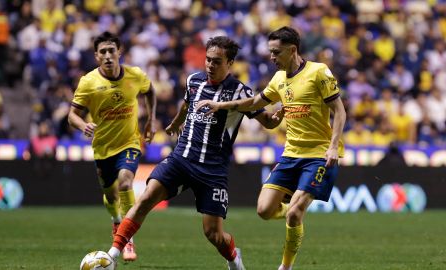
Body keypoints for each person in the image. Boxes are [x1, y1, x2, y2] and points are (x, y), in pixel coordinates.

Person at [107, 36, 284, 269]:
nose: (210, 65)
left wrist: (280, 114)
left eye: (217, 61)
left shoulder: (241, 92)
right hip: (181, 158)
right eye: (208, 60)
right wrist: (175, 123)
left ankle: (233, 257)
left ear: (229, 63)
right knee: (146, 198)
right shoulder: (194, 80)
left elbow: (268, 122)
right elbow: (187, 104)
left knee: (213, 235)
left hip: (212, 170)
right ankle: (112, 255)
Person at [196, 26, 347, 270]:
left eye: (276, 53)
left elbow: (339, 112)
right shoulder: (278, 80)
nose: (271, 57)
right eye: (270, 52)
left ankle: (285, 266)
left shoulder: (318, 72)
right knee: (264, 210)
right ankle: (292, 209)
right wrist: (222, 105)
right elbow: (255, 102)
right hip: (290, 155)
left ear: (293, 50)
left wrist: (332, 147)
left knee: (294, 214)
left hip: (319, 155)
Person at [68, 31, 156, 261]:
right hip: (103, 148)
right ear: (96, 56)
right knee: (110, 194)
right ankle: (116, 222)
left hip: (130, 142)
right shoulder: (88, 82)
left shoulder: (135, 75)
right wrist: (82, 125)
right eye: (103, 52)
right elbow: (72, 115)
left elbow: (150, 91)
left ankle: (127, 240)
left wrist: (151, 120)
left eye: (111, 50)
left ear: (120, 52)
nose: (108, 55)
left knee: (126, 180)